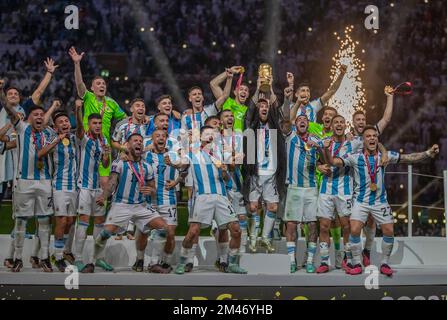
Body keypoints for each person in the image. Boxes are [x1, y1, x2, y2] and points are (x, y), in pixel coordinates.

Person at [324, 125, 439, 276]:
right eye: (368, 136)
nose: (371, 138)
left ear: (377, 140)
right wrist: (326, 150)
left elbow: (408, 158)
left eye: (374, 136)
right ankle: (357, 263)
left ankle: (384, 263)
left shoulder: (384, 156)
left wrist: (428, 153)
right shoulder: (355, 157)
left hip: (380, 202)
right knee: (354, 230)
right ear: (363, 140)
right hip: (360, 201)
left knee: (389, 231)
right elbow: (333, 162)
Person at [175, 126, 246, 274]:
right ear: (200, 137)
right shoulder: (192, 152)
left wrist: (227, 169)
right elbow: (180, 164)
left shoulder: (220, 152)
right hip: (202, 197)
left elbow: (228, 174)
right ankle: (182, 261)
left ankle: (232, 263)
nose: (210, 136)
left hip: (221, 196)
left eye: (213, 133)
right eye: (207, 133)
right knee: (193, 232)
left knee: (236, 230)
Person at [93, 133, 168, 271]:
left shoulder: (147, 166)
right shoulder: (119, 162)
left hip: (141, 205)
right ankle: (95, 259)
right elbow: (112, 183)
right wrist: (104, 196)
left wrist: (150, 190)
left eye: (140, 141)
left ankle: (152, 263)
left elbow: (153, 188)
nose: (139, 143)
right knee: (105, 234)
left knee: (163, 228)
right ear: (127, 145)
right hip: (121, 204)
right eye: (135, 141)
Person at [3, 101, 57, 272]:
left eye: (42, 114)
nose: (40, 117)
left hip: (44, 181)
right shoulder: (21, 128)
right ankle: (17, 258)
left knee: (44, 221)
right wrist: (2, 93)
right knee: (21, 221)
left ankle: (45, 257)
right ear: (28, 118)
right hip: (24, 182)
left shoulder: (49, 133)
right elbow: (9, 110)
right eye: (36, 114)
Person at [69, 47, 126, 188]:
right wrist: (77, 64)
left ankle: (101, 209)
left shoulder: (111, 103)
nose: (102, 85)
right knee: (82, 181)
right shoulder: (88, 97)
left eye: (103, 84)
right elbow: (79, 84)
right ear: (92, 88)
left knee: (104, 183)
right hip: (86, 142)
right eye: (98, 83)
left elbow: (125, 119)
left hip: (104, 144)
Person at [351, 86, 395, 266]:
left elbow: (386, 118)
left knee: (370, 222)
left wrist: (389, 97)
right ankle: (351, 258)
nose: (361, 122)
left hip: (372, 186)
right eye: (358, 120)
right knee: (352, 226)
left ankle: (367, 251)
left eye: (363, 119)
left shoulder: (372, 132)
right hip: (351, 184)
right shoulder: (348, 138)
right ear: (353, 123)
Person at [316, 115, 362, 273]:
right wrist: (318, 166)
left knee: (346, 226)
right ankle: (324, 261)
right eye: (336, 122)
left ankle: (349, 260)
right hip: (326, 189)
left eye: (342, 122)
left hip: (345, 190)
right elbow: (313, 156)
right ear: (332, 126)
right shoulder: (324, 141)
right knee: (323, 226)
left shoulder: (353, 143)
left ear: (345, 125)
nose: (339, 125)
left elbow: (372, 139)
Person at [281, 114, 323, 273]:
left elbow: (324, 159)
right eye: (299, 120)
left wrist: (318, 146)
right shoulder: (290, 136)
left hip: (311, 188)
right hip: (294, 187)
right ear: (295, 124)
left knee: (312, 225)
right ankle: (292, 261)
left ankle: (310, 261)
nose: (302, 121)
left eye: (305, 120)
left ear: (309, 124)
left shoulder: (316, 139)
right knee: (291, 224)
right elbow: (285, 122)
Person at [244, 96, 286, 254]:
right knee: (253, 207)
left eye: (266, 106)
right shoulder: (251, 126)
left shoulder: (275, 126)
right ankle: (253, 237)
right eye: (260, 105)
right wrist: (258, 86)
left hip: (271, 174)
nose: (264, 108)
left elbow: (277, 108)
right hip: (255, 174)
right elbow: (249, 112)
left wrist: (269, 85)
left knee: (273, 207)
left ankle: (265, 238)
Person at [73, 102, 111, 273]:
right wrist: (78, 110)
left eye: (99, 123)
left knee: (100, 222)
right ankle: (78, 259)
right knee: (83, 222)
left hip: (96, 188)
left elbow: (104, 164)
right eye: (94, 123)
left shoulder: (101, 141)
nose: (97, 126)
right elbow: (79, 127)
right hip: (84, 188)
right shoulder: (83, 138)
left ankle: (98, 259)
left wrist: (106, 154)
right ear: (89, 124)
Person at [38, 108, 78, 272]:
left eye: (66, 121)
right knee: (61, 221)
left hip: (74, 186)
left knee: (70, 221)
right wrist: (57, 139)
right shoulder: (52, 139)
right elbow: (40, 153)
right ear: (55, 127)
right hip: (59, 185)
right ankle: (58, 256)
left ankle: (63, 252)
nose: (64, 123)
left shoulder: (75, 139)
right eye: (60, 122)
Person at [142, 129, 184, 273]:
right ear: (152, 139)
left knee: (170, 233)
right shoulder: (145, 154)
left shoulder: (172, 154)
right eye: (157, 136)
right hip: (149, 199)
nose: (160, 138)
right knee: (145, 232)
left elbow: (186, 168)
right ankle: (144, 260)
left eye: (163, 136)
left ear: (166, 139)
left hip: (168, 197)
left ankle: (163, 262)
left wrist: (176, 179)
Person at [210, 66, 249, 132]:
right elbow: (213, 84)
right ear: (235, 92)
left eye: (246, 90)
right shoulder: (227, 101)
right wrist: (228, 72)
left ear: (248, 95)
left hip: (239, 141)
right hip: (225, 139)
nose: (243, 92)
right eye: (241, 89)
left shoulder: (248, 110)